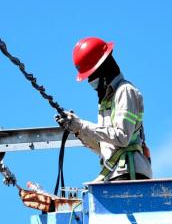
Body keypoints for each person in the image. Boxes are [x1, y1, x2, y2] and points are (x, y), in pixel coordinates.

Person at [55, 37, 152, 182]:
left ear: (103, 70)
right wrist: (77, 130)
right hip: (115, 174)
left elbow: (122, 137)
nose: (90, 82)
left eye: (91, 76)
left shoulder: (125, 91)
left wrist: (81, 124)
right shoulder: (106, 101)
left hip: (129, 174)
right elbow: (104, 147)